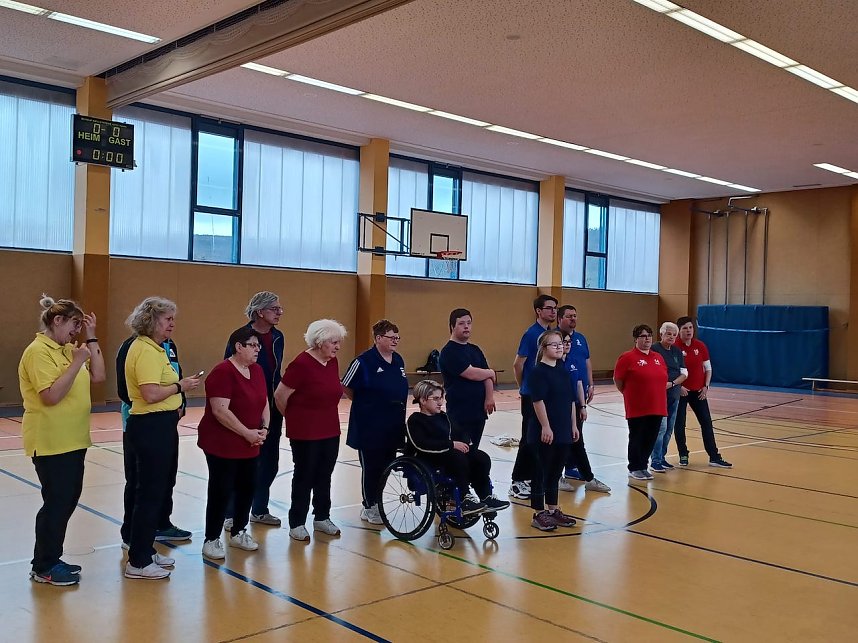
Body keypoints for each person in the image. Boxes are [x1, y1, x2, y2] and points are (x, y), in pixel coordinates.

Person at [18, 295, 105, 586]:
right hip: (51, 441)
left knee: (67, 501)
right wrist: (77, 361)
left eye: (81, 326)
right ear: (58, 321)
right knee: (56, 503)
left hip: (74, 439)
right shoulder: (37, 352)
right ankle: (44, 566)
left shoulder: (67, 349)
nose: (77, 331)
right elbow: (51, 396)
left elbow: (99, 375)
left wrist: (91, 339)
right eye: (75, 324)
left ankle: (51, 557)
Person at [124, 297, 201, 580]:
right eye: (167, 318)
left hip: (162, 424)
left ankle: (145, 548)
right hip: (150, 426)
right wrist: (181, 385)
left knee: (155, 491)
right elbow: (150, 394)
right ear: (151, 320)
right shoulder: (144, 350)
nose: (172, 324)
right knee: (149, 493)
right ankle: (138, 561)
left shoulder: (155, 349)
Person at [198, 327, 269, 559]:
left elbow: (264, 401)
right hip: (223, 444)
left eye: (259, 346)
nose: (258, 349)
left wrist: (263, 429)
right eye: (253, 345)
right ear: (238, 346)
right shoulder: (222, 372)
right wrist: (246, 433)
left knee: (247, 487)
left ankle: (238, 531)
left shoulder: (257, 370)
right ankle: (211, 539)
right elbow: (220, 411)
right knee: (221, 490)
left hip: (251, 443)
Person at [116, 333, 192, 547]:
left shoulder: (168, 344)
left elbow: (176, 374)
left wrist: (181, 403)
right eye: (167, 318)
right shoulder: (133, 346)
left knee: (166, 476)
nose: (172, 324)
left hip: (166, 420)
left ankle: (160, 524)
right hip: (142, 420)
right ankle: (131, 533)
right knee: (138, 480)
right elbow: (125, 388)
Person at [274, 319, 347, 542]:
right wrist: (295, 419)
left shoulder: (332, 362)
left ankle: (321, 517)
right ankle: (297, 522)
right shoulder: (301, 364)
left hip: (330, 429)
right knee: (305, 476)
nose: (337, 347)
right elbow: (280, 396)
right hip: (305, 432)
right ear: (319, 342)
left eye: (338, 342)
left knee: (324, 475)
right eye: (334, 342)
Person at [224, 291, 285, 527]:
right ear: (260, 312)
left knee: (270, 461)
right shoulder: (240, 337)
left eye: (280, 309)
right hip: (245, 408)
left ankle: (259, 509)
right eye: (275, 309)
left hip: (271, 406)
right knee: (241, 463)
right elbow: (229, 368)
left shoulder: (278, 337)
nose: (280, 313)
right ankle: (230, 513)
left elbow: (276, 372)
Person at [406, 380, 509, 515]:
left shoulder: (444, 417)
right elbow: (421, 444)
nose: (440, 402)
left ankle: (486, 497)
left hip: (447, 454)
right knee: (457, 458)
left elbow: (460, 433)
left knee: (481, 458)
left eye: (441, 398)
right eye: (436, 398)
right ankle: (464, 498)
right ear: (423, 400)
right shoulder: (415, 420)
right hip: (427, 458)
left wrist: (467, 445)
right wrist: (452, 445)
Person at [342, 320, 408, 526]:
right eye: (391, 337)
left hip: (393, 424)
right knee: (371, 467)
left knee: (386, 466)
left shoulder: (398, 360)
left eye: (397, 337)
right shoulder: (363, 362)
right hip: (369, 426)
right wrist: (366, 404)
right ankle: (369, 505)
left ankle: (377, 501)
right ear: (378, 338)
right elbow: (346, 386)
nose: (395, 341)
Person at [526, 330, 580, 531]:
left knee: (556, 471)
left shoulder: (563, 370)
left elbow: (571, 401)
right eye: (554, 345)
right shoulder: (538, 372)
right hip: (545, 430)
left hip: (564, 428)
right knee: (542, 470)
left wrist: (573, 425)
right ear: (543, 348)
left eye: (561, 344)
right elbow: (537, 400)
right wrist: (546, 426)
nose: (559, 347)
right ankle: (539, 512)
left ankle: (553, 509)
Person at [556, 305, 610, 493]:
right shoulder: (553, 342)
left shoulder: (580, 340)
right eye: (569, 316)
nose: (573, 319)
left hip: (576, 400)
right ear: (559, 318)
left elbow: (583, 368)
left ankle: (573, 470)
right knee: (567, 439)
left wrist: (590, 387)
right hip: (559, 404)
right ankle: (558, 476)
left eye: (575, 316)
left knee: (576, 436)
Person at [510, 294, 558, 499]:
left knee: (541, 438)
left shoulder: (551, 334)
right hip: (532, 395)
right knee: (528, 438)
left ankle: (533, 476)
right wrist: (525, 387)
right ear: (538, 311)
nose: (553, 311)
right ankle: (518, 480)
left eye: (555, 308)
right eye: (549, 308)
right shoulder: (532, 335)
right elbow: (518, 364)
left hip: (547, 395)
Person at [674, 316, 732, 468]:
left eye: (691, 327)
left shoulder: (700, 346)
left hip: (698, 392)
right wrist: (678, 387)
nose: (688, 331)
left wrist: (706, 386)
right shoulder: (674, 347)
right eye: (685, 328)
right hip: (681, 392)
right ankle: (683, 454)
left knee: (706, 423)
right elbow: (670, 370)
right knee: (679, 424)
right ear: (679, 330)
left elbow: (708, 368)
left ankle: (714, 456)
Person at [613, 325, 667, 481]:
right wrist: (629, 393)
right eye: (643, 336)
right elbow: (618, 380)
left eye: (649, 335)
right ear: (636, 339)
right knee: (637, 436)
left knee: (651, 437)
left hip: (657, 405)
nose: (647, 338)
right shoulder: (627, 357)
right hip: (637, 405)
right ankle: (634, 467)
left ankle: (643, 465)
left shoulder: (658, 357)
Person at [438, 308, 497, 449]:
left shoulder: (475, 350)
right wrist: (490, 372)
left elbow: (487, 377)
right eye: (461, 323)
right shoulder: (448, 352)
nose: (466, 326)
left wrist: (489, 398)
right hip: (460, 413)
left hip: (478, 412)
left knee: (474, 450)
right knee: (463, 450)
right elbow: (471, 373)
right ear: (452, 326)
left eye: (469, 323)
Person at [648, 322, 687, 473]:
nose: (671, 337)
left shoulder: (677, 351)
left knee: (669, 428)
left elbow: (684, 373)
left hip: (674, 395)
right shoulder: (654, 349)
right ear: (661, 334)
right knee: (661, 428)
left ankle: (662, 457)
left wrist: (672, 383)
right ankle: (655, 460)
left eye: (674, 335)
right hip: (658, 397)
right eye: (668, 333)